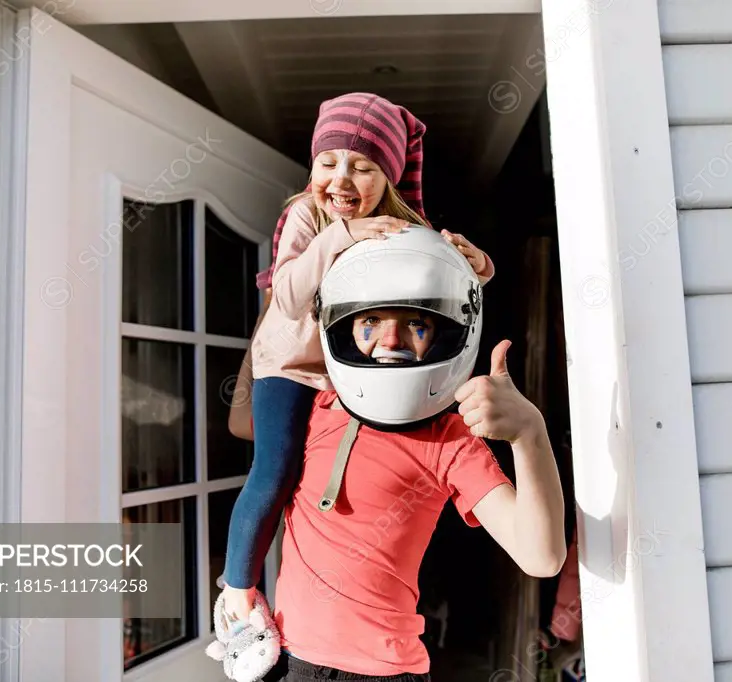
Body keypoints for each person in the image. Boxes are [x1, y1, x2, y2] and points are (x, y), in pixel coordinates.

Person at [226, 228, 566, 680]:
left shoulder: (449, 437)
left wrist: (529, 433)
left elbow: (540, 556)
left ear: (442, 334)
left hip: (381, 674)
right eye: (370, 322)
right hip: (288, 662)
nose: (390, 340)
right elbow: (239, 420)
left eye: (415, 323)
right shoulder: (318, 403)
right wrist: (277, 307)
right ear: (343, 328)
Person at [220, 92, 496, 621]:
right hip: (290, 366)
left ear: (388, 178)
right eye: (328, 163)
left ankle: (323, 598)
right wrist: (340, 237)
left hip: (343, 369)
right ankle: (237, 593)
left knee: (330, 480)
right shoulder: (307, 214)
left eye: (363, 167)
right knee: (274, 472)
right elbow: (292, 296)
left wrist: (478, 263)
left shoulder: (401, 223)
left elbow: (441, 276)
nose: (340, 179)